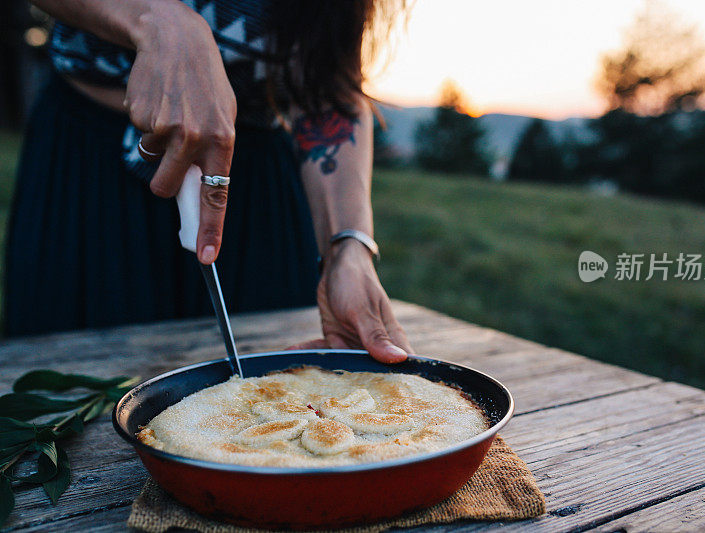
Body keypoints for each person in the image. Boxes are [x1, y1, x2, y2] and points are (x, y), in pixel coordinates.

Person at [4, 0, 412, 363]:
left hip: (256, 198)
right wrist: (156, 18)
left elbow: (328, 90)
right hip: (87, 174)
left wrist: (348, 248)